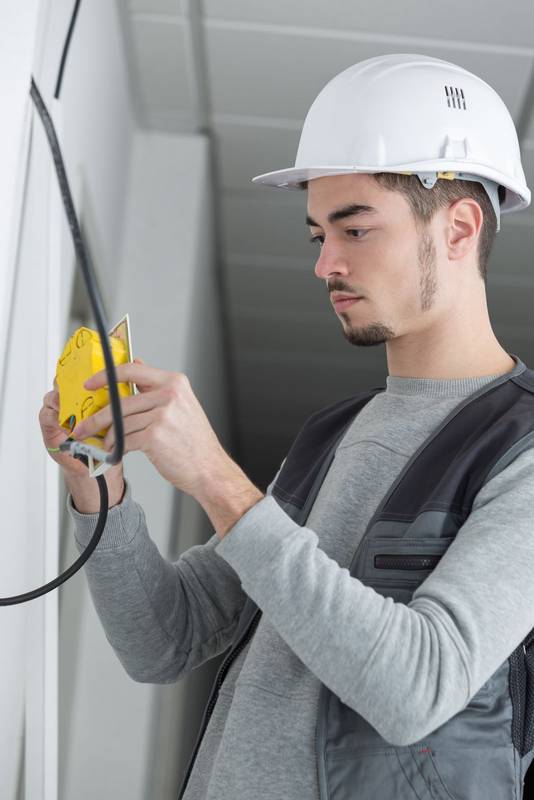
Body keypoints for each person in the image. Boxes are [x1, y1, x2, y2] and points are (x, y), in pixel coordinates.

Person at [40, 54, 534, 799]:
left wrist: (217, 480)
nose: (325, 264)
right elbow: (164, 640)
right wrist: (96, 483)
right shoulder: (332, 435)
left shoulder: (520, 447)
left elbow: (418, 688)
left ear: (460, 228)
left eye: (355, 229)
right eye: (317, 237)